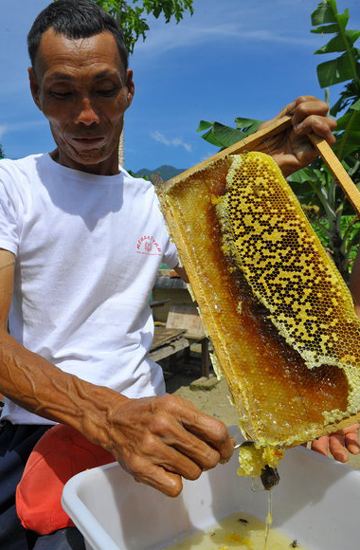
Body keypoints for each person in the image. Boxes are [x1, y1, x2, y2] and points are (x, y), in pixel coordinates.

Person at [0, 0, 358, 548]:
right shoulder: (12, 188)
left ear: (129, 88)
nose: (87, 115)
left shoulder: (160, 202)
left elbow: (240, 292)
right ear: (34, 90)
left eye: (104, 88)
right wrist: (110, 416)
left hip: (156, 424)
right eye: (62, 93)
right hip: (43, 430)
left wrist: (256, 166)